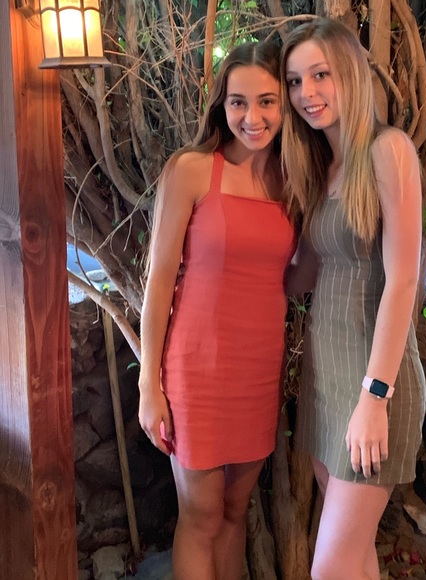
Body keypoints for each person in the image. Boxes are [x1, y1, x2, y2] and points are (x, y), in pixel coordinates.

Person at [138, 41, 295, 580]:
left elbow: (292, 275)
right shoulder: (191, 169)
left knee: (234, 511)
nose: (253, 117)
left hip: (258, 370)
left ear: (285, 105)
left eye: (267, 101)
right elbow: (159, 280)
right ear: (221, 105)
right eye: (238, 102)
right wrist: (149, 384)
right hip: (197, 370)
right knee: (201, 515)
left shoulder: (294, 181)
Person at [281, 18, 426, 580]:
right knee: (355, 558)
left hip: (374, 381)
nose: (307, 92)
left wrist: (375, 397)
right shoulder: (323, 168)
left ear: (351, 73)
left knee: (331, 569)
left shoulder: (388, 150)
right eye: (295, 81)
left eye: (320, 75)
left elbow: (403, 280)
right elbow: (302, 277)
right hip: (326, 376)